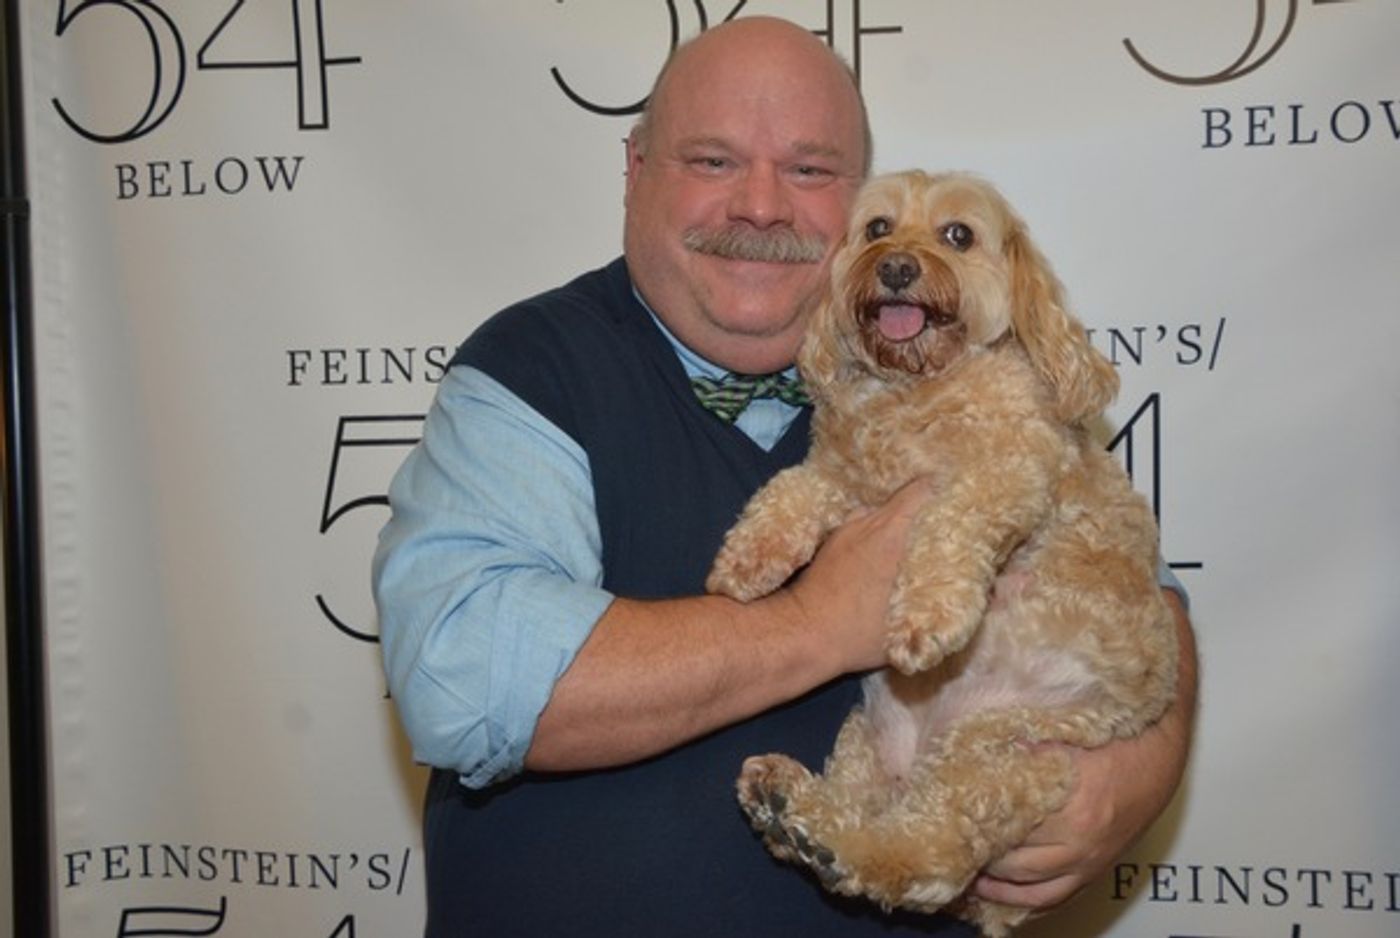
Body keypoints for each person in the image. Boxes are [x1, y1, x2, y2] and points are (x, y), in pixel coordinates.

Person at [373, 15, 1197, 938]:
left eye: (808, 171)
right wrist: (814, 624)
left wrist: (1136, 772)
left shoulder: (961, 363)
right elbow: (460, 681)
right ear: (636, 170)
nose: (761, 207)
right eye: (712, 161)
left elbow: (1146, 594)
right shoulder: (532, 369)